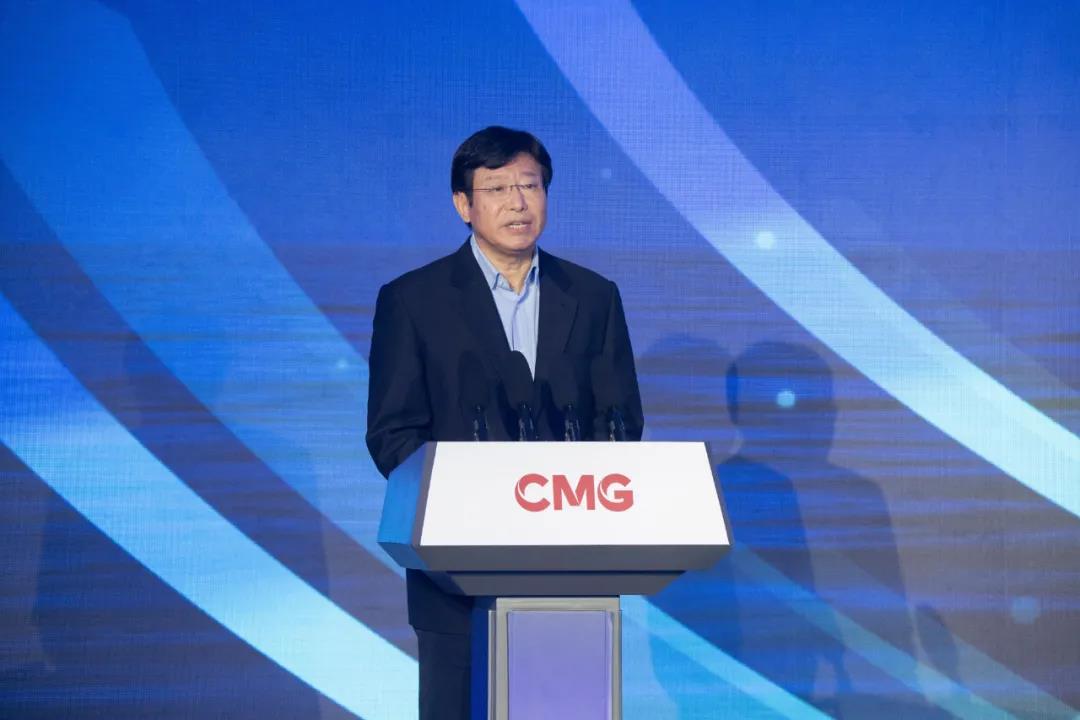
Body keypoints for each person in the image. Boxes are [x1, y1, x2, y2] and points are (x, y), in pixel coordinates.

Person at [366, 126, 643, 719]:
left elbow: (621, 421)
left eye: (530, 186)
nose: (518, 202)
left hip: (573, 576)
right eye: (497, 189)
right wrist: (463, 501)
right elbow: (393, 433)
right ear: (463, 205)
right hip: (454, 580)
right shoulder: (414, 300)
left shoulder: (594, 297)